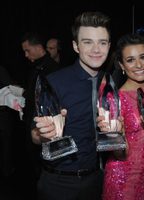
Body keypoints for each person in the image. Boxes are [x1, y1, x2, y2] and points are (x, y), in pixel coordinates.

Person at [31, 11, 111, 200]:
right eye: (87, 42)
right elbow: (34, 135)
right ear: (76, 46)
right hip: (60, 185)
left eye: (102, 42)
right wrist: (43, 134)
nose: (96, 49)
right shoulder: (55, 82)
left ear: (109, 46)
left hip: (97, 180)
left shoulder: (109, 82)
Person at [97, 34, 144, 200]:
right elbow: (119, 155)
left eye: (142, 57)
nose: (139, 65)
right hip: (124, 179)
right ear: (121, 65)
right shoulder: (114, 99)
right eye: (130, 60)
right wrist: (117, 137)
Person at [21, 32, 60, 198]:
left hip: (45, 130)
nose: (26, 55)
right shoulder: (37, 67)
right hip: (34, 128)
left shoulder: (50, 69)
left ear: (38, 47)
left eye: (27, 50)